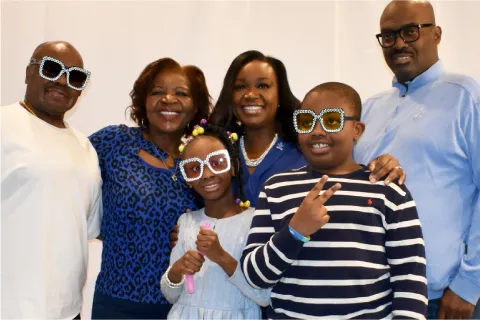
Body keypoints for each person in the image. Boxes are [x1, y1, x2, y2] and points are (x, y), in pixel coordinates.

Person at [241, 82, 428, 319]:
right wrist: (295, 232)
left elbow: (410, 281)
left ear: (357, 130)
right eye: (306, 121)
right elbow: (255, 276)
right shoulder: (276, 188)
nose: (317, 130)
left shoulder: (388, 192)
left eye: (331, 120)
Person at [353, 1, 480, 318]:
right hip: (374, 294)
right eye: (388, 36)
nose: (398, 44)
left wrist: (469, 284)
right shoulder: (370, 108)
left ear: (436, 34)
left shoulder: (466, 96)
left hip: (443, 297)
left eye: (410, 31)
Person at [88, 58, 210, 319]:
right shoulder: (113, 143)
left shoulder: (201, 162)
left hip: (182, 305)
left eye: (181, 93)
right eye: (157, 92)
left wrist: (193, 236)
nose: (168, 99)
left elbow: (223, 217)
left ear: (194, 106)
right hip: (116, 302)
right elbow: (71, 184)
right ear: (143, 100)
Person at [209, 50, 407, 207]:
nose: (251, 95)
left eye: (262, 86)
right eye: (240, 87)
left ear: (279, 94)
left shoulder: (309, 149)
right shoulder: (216, 154)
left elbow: (353, 171)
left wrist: (384, 163)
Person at [1, 41, 102, 319]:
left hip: (67, 310)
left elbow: (89, 227)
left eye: (75, 76)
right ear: (27, 73)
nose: (62, 80)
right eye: (51, 68)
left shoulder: (85, 147)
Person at [160, 122, 270, 319]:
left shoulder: (256, 221)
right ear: (188, 180)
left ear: (234, 166)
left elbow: (264, 296)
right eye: (194, 168)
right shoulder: (186, 222)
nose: (208, 174)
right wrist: (176, 271)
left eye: (217, 163)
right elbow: (170, 295)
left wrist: (221, 257)